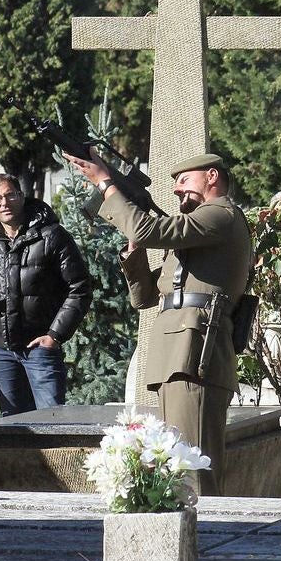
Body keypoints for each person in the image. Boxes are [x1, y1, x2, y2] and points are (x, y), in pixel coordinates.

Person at [65, 151, 253, 496]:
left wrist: (105, 183)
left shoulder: (220, 215)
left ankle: (207, 541)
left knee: (193, 467)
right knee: (176, 466)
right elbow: (147, 297)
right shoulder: (199, 228)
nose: (178, 190)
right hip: (177, 354)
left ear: (212, 176)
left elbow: (146, 227)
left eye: (185, 180)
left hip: (195, 354)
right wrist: (134, 253)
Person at [0, 174, 90, 416]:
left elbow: (80, 288)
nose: (4, 203)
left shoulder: (53, 236)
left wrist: (55, 335)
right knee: (12, 432)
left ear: (22, 197)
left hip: (40, 349)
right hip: (0, 352)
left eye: (10, 195)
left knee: (50, 425)